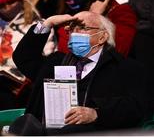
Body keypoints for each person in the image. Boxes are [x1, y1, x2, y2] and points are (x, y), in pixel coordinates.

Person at [11, 11, 148, 135]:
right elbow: (23, 57)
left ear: (102, 37)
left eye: (82, 28)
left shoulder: (125, 67)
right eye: (71, 28)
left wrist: (96, 113)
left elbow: (137, 106)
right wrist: (48, 23)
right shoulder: (56, 62)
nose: (74, 33)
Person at [0, 0, 53, 109]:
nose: (7, 7)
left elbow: (47, 61)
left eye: (11, 2)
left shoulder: (38, 25)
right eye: (1, 5)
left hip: (26, 90)